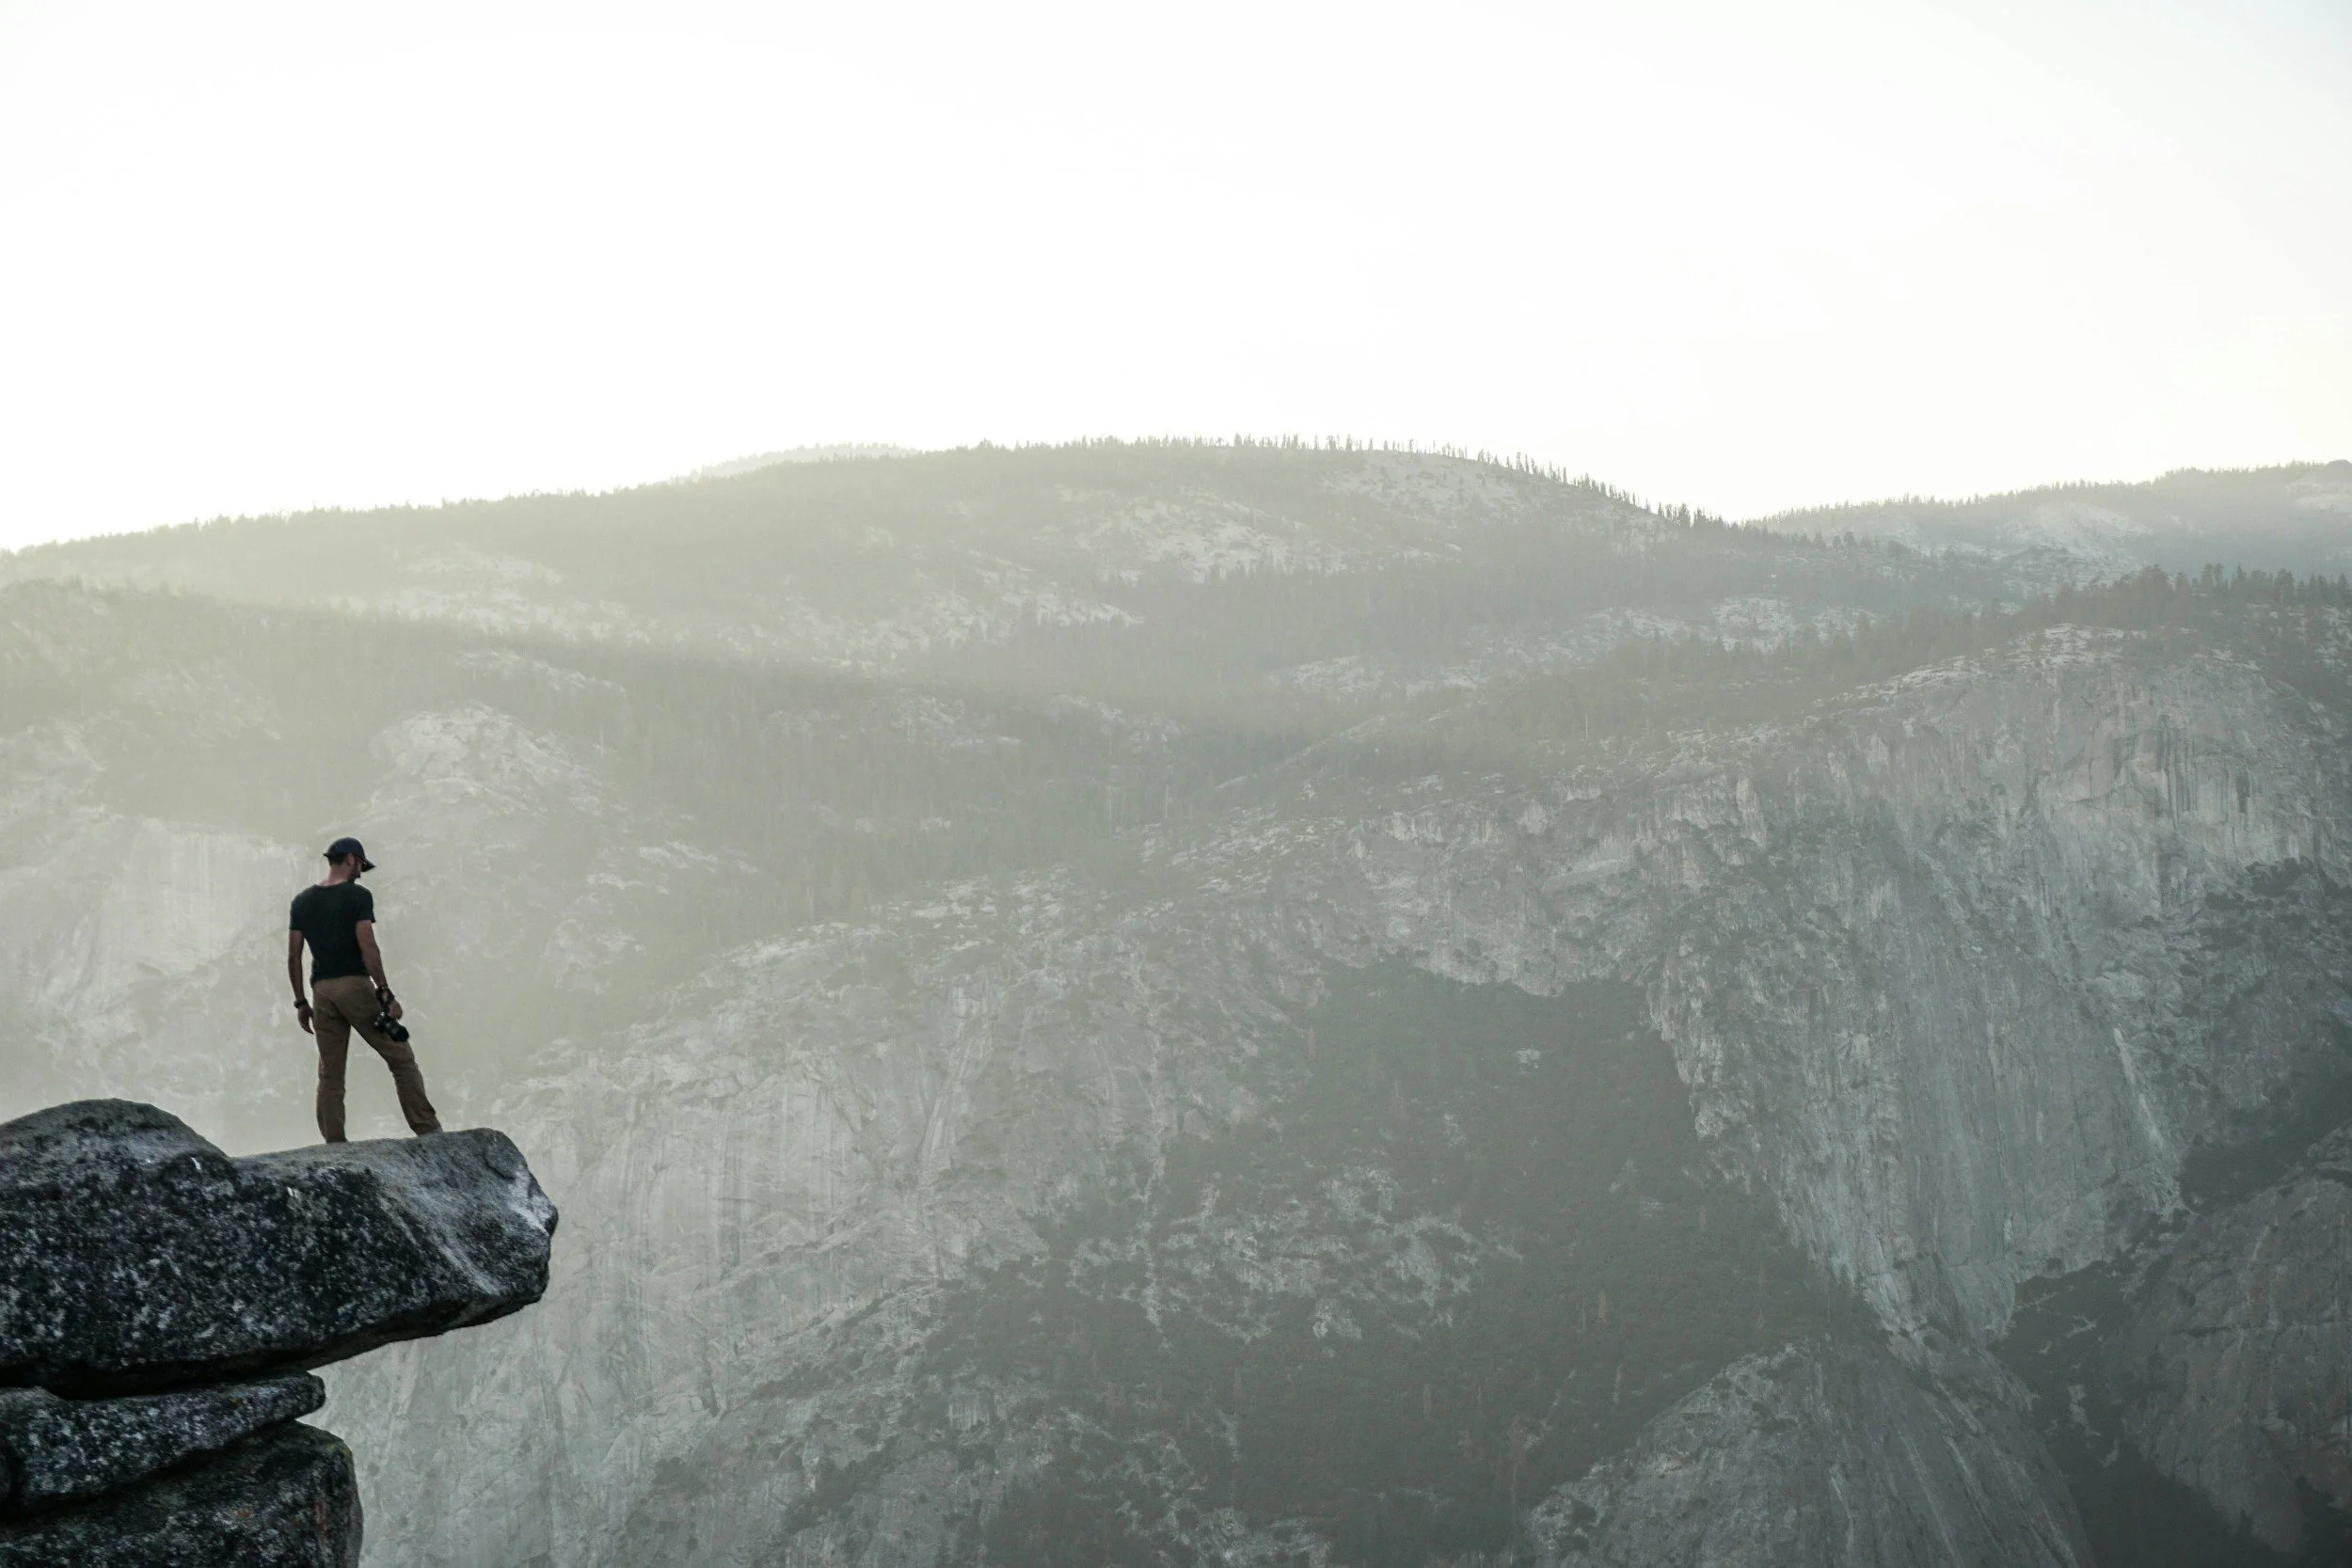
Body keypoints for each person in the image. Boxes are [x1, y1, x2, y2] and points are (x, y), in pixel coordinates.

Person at [288, 837, 441, 1142]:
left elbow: (294, 954)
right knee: (400, 1057)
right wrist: (384, 990)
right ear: (349, 860)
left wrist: (301, 1003)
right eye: (360, 865)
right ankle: (427, 1130)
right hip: (353, 986)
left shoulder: (302, 901)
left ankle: (334, 1142)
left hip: (321, 991)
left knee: (330, 1073)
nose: (361, 871)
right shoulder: (358, 897)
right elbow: (367, 944)